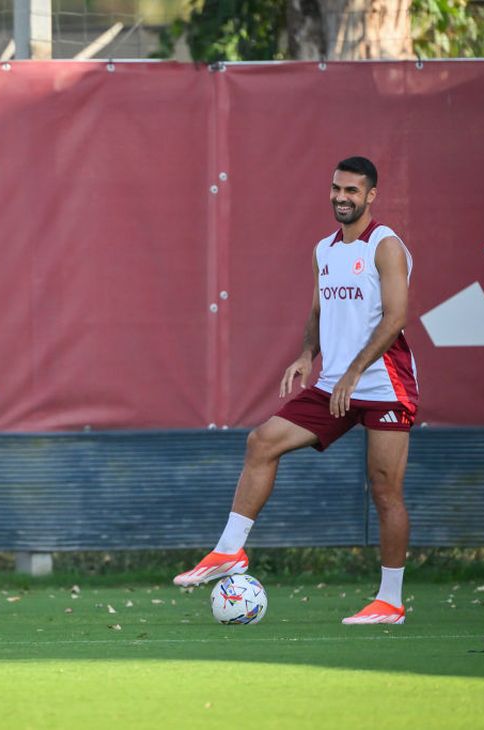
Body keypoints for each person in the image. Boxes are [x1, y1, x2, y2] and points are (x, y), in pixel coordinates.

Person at [174, 157, 418, 625]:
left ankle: (390, 601)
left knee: (385, 490)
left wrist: (353, 372)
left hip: (384, 384)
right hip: (333, 384)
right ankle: (229, 552)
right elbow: (318, 313)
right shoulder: (324, 249)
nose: (341, 197)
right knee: (262, 441)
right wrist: (309, 354)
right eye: (335, 189)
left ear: (371, 196)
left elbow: (396, 318)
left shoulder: (386, 246)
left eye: (352, 190)